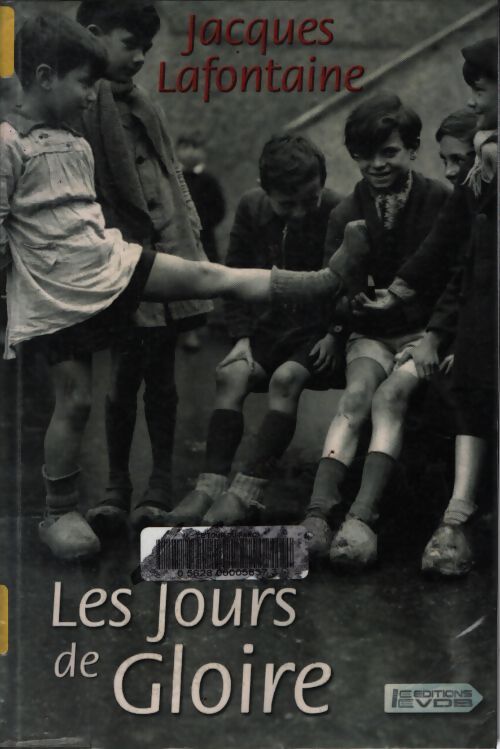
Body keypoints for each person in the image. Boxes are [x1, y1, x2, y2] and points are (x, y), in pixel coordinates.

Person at [0, 13, 368, 561]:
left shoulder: (76, 140)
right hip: (56, 293)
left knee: (206, 275)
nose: (91, 94)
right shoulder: (9, 144)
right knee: (75, 401)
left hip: (110, 263)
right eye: (83, 83)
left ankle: (321, 281)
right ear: (46, 77)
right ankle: (59, 511)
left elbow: (93, 215)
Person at [360, 38, 497, 576]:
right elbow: (450, 244)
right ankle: (457, 518)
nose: (473, 100)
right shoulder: (485, 160)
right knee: (472, 399)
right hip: (482, 314)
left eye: (481, 89)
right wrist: (400, 291)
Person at [75, 0, 212, 535]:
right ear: (94, 35)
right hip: (120, 259)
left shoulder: (146, 105)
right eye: (129, 44)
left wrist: (190, 233)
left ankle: (159, 483)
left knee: (162, 376)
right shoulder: (83, 104)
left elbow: (171, 171)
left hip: (166, 253)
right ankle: (116, 486)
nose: (139, 57)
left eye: (146, 48)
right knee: (121, 376)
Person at [299, 93, 450, 564]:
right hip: (371, 333)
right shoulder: (347, 212)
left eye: (389, 152)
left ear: (413, 149)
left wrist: (434, 334)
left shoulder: (440, 201)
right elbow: (332, 289)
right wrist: (348, 303)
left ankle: (361, 517)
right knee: (356, 396)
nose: (377, 164)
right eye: (365, 155)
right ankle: (318, 514)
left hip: (423, 333)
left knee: (390, 397)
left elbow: (455, 277)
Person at [168, 134, 344, 526]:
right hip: (271, 328)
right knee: (231, 374)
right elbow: (234, 275)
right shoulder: (251, 206)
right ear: (265, 190)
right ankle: (208, 487)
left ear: (322, 182)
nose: (300, 213)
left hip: (319, 331)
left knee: (285, 379)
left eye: (309, 200)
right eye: (287, 204)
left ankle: (248, 491)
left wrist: (335, 332)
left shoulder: (338, 209)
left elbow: (346, 284)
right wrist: (242, 338)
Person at [176, 131, 226, 351]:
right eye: (185, 147)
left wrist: (202, 225)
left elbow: (219, 209)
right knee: (180, 281)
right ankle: (187, 330)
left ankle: (198, 327)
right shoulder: (174, 178)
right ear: (178, 151)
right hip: (178, 238)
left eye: (195, 147)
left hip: (203, 239)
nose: (190, 152)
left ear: (202, 152)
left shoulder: (208, 180)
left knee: (201, 281)